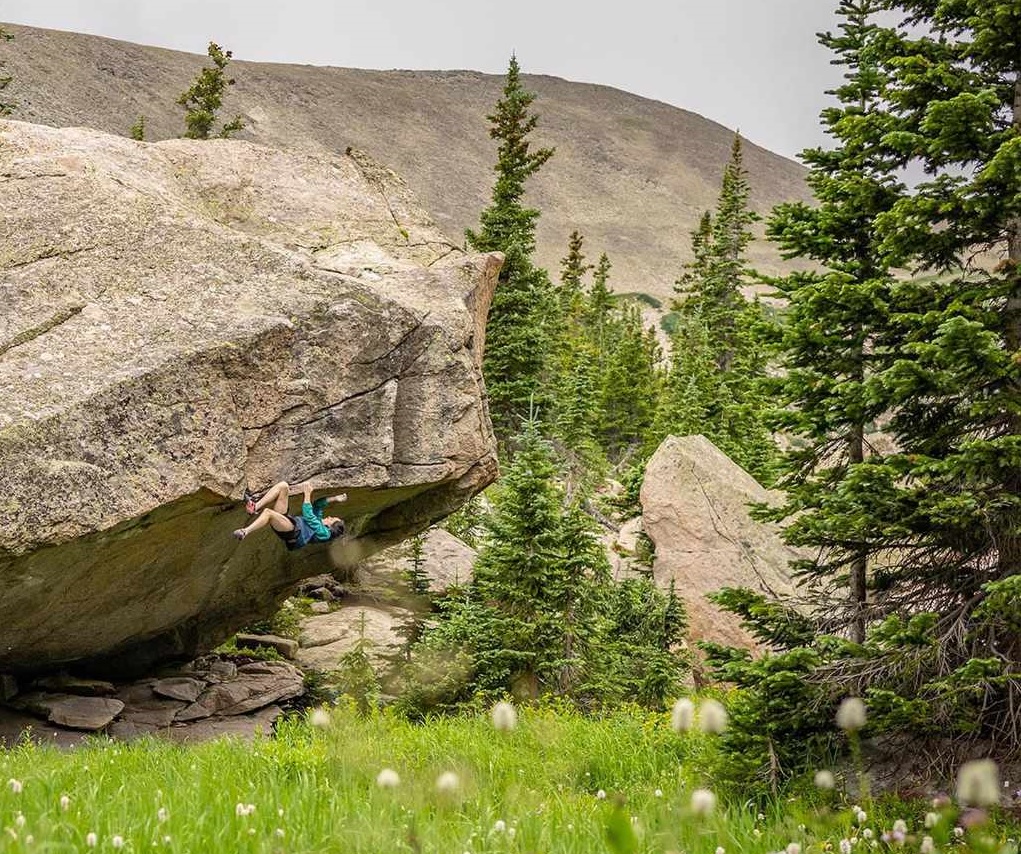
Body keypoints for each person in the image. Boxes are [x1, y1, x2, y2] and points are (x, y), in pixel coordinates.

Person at [233, 481, 347, 550]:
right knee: (283, 486)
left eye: (331, 519)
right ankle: (255, 507)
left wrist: (307, 493)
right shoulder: (321, 523)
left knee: (268, 513)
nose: (329, 517)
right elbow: (318, 505)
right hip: (291, 522)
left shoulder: (325, 534)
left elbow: (308, 515)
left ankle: (245, 531)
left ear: (331, 527)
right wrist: (335, 499)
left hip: (293, 532)